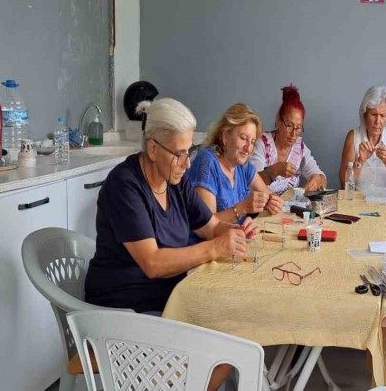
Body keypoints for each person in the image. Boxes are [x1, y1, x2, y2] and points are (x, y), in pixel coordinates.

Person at [84, 98, 258, 391]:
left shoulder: (176, 181)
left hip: (166, 296)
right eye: (179, 153)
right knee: (229, 343)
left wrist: (237, 231)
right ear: (153, 149)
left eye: (189, 151)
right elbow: (152, 263)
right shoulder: (125, 185)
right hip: (123, 310)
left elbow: (210, 227)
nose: (187, 163)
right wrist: (215, 248)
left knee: (237, 326)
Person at [187, 103, 283, 233]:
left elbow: (268, 194)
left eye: (252, 142)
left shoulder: (243, 165)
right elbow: (205, 226)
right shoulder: (207, 163)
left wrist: (272, 202)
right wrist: (242, 208)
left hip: (235, 239)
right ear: (225, 136)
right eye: (243, 138)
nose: (248, 148)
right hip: (207, 243)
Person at [251, 84, 327, 194]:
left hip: (289, 205)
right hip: (262, 204)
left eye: (298, 127)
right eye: (289, 125)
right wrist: (274, 171)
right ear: (278, 121)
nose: (294, 134)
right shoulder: (262, 143)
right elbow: (251, 182)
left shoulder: (299, 147)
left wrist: (316, 180)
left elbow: (321, 177)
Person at [339, 86, 386, 188]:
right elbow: (344, 184)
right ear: (365, 114)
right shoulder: (353, 136)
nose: (378, 121)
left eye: (382, 115)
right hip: (358, 198)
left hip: (385, 197)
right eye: (373, 114)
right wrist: (360, 160)